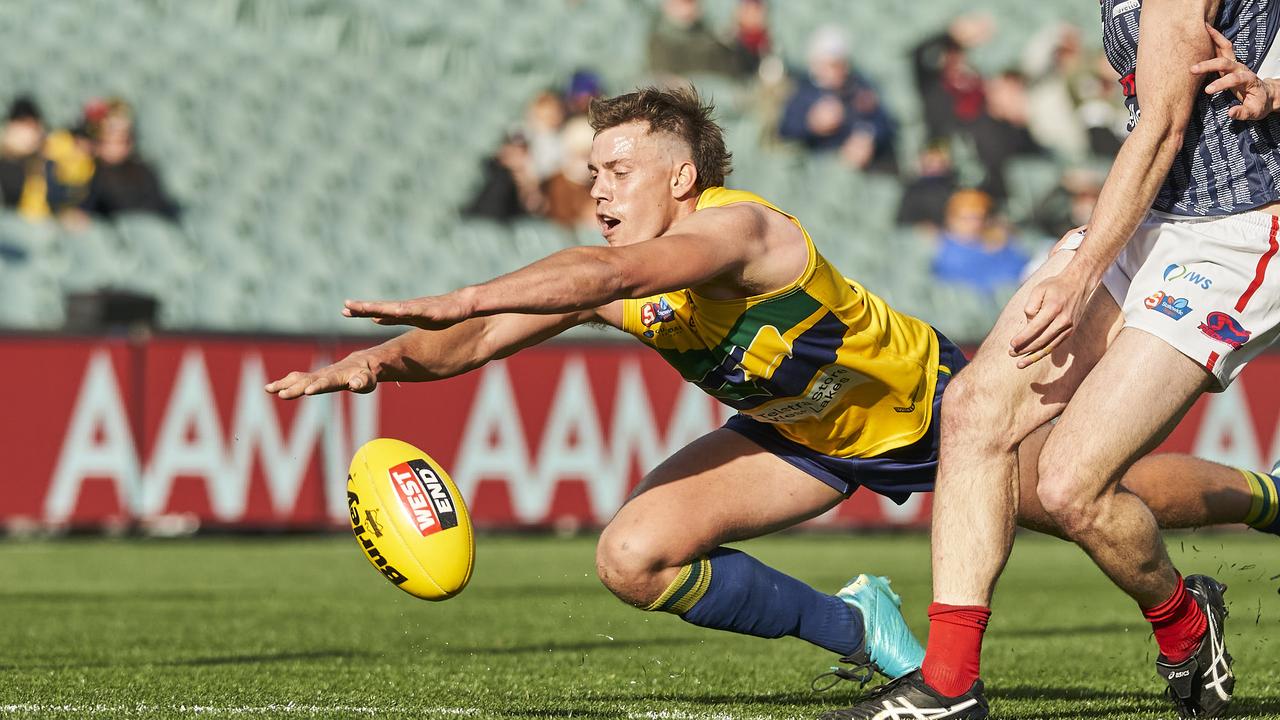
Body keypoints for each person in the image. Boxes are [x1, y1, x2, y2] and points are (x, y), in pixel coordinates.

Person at [265, 88, 1279, 697]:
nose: (600, 186)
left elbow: (597, 280)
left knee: (1082, 495)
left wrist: (466, 293)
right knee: (630, 558)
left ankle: (1264, 496)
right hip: (800, 438)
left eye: (618, 167)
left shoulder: (736, 230)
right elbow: (479, 340)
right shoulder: (622, 268)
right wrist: (383, 364)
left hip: (921, 408)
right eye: (590, 170)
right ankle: (861, 629)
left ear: (682, 175)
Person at [826, 4, 1280, 719]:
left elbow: (1164, 123)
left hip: (1235, 233)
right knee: (974, 410)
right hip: (1146, 218)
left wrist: (1077, 276)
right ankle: (947, 684)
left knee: (1070, 486)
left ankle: (1187, 625)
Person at [778, 27, 897, 173]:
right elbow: (786, 130)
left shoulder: (858, 86)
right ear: (816, 64)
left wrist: (868, 138)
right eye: (833, 65)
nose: (840, 70)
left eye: (842, 64)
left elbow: (885, 123)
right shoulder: (802, 91)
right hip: (820, 169)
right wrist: (812, 124)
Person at [930, 189, 1029, 294]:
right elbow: (977, 286)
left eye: (978, 218)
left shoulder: (994, 238)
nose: (974, 224)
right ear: (951, 219)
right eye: (966, 218)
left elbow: (1022, 262)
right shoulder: (948, 253)